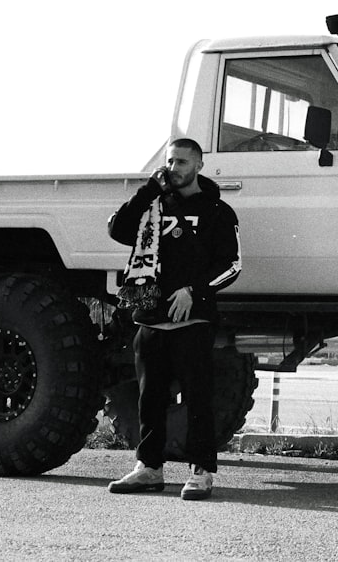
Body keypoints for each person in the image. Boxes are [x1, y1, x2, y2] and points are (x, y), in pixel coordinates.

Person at [106, 138, 241, 500]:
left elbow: (231, 266)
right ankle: (148, 468)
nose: (174, 168)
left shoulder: (218, 211)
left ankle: (202, 472)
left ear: (198, 164)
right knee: (148, 400)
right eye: (170, 161)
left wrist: (193, 292)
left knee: (199, 400)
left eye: (182, 162)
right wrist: (150, 187)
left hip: (192, 322)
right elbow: (118, 229)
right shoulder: (153, 206)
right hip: (150, 320)